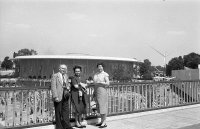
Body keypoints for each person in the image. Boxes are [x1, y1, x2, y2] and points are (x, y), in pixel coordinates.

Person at [51, 64, 73, 129]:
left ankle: (67, 126)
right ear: (59, 69)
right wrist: (55, 96)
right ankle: (59, 127)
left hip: (65, 96)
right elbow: (53, 87)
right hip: (58, 96)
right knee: (58, 112)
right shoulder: (55, 76)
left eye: (65, 68)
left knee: (66, 112)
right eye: (62, 68)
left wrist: (68, 87)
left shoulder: (66, 76)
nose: (64, 70)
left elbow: (67, 84)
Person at [93, 63, 110, 128]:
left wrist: (101, 83)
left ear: (103, 67)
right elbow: (94, 83)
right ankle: (101, 121)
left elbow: (108, 83)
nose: (100, 68)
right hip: (97, 91)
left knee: (103, 106)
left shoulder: (105, 74)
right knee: (99, 107)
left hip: (102, 91)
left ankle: (104, 122)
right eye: (98, 66)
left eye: (101, 66)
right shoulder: (96, 74)